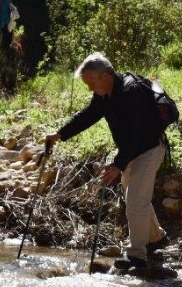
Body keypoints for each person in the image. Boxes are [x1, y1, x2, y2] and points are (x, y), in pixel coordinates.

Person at [44, 53, 169, 272]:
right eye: (87, 85)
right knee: (137, 196)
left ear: (107, 75)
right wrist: (60, 134)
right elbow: (88, 115)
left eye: (91, 83)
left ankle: (137, 257)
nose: (90, 89)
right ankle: (156, 238)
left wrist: (118, 165)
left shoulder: (132, 92)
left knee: (135, 203)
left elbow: (135, 134)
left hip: (149, 148)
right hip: (132, 151)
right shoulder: (104, 94)